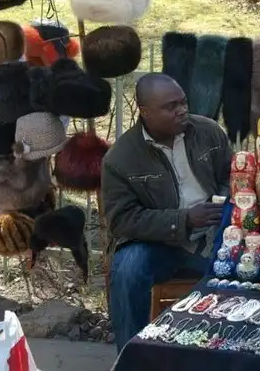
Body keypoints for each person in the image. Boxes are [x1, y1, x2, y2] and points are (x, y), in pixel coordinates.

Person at [101, 73, 232, 351]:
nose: (181, 110)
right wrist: (183, 220)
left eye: (183, 102)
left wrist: (223, 203)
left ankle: (235, 353)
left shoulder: (208, 132)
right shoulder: (121, 157)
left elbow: (232, 177)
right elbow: (122, 220)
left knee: (255, 264)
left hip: (214, 236)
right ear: (145, 111)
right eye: (170, 106)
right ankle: (131, 358)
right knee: (127, 270)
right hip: (158, 243)